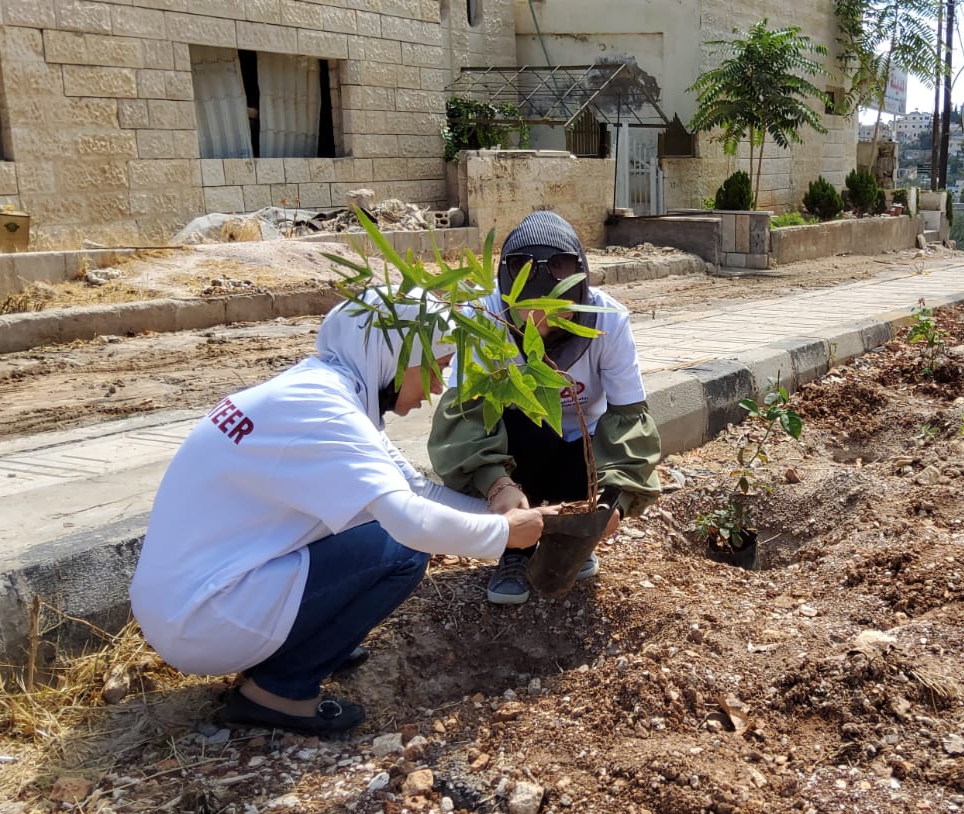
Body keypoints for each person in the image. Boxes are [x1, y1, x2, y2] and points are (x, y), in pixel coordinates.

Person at [130, 293, 547, 735]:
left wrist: (504, 505)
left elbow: (415, 488)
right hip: (205, 621)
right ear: (394, 354)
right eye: (434, 367)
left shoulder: (318, 389)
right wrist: (501, 536)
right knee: (402, 547)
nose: (437, 387)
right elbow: (409, 521)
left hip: (188, 600)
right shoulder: (325, 414)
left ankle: (307, 637)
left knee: (372, 517)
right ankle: (280, 689)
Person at [429, 211, 662, 605]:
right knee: (527, 430)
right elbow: (465, 415)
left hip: (579, 448)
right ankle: (514, 554)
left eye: (555, 311)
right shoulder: (482, 318)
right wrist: (496, 483)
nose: (540, 323)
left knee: (581, 451)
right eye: (528, 310)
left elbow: (628, 416)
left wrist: (613, 501)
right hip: (516, 447)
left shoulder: (610, 321)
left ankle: (569, 546)